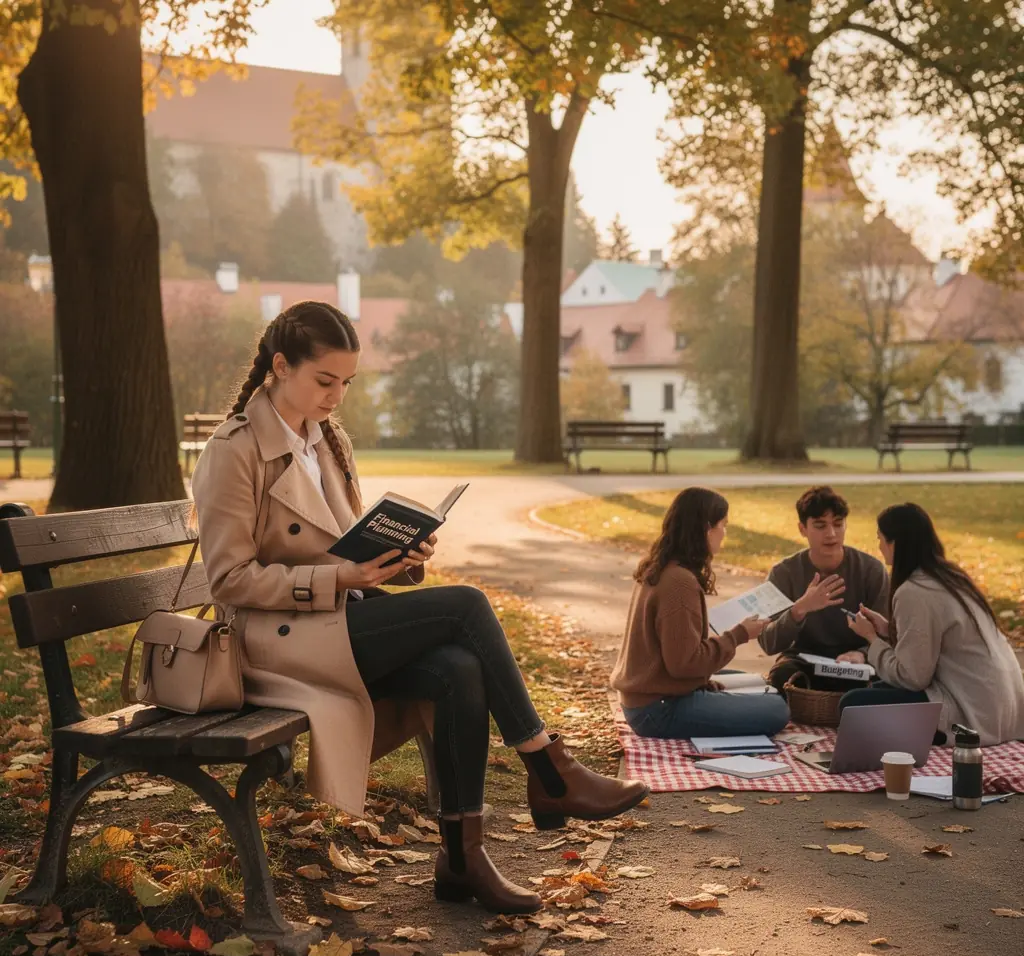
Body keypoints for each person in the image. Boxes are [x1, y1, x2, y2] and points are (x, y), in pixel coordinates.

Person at [190, 301, 648, 916]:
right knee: (466, 606)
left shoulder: (327, 441)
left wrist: (401, 556)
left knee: (458, 667)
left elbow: (342, 546)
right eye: (325, 381)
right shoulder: (234, 449)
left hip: (332, 621)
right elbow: (228, 580)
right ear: (279, 366)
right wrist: (339, 579)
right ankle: (549, 769)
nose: (336, 397)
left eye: (347, 383)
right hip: (271, 643)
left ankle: (461, 859)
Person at [611, 487, 790, 739]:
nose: (724, 533)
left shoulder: (662, 567)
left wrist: (699, 682)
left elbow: (677, 660)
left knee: (759, 683)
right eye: (723, 525)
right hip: (659, 709)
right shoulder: (679, 582)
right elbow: (684, 665)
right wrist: (739, 635)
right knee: (777, 708)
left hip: (651, 697)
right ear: (707, 528)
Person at [846, 503, 1024, 746]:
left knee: (852, 704)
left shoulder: (914, 591)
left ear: (894, 543)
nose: (879, 547)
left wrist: (871, 639)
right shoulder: (951, 577)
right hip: (1003, 709)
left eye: (880, 539)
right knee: (877, 688)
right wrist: (888, 631)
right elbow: (931, 644)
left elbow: (912, 678)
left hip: (972, 714)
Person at [759, 486, 889, 691]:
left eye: (838, 524)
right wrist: (799, 610)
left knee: (881, 684)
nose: (831, 534)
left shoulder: (871, 570)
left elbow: (887, 634)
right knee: (781, 678)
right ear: (802, 529)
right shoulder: (784, 573)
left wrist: (862, 654)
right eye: (820, 526)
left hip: (855, 661)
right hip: (802, 659)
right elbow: (768, 643)